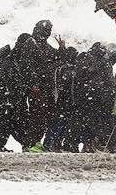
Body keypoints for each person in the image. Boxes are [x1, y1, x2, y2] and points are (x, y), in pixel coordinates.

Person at [22, 20, 61, 152]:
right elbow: (28, 65)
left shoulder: (44, 45)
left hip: (46, 86)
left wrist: (61, 48)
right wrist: (34, 83)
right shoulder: (31, 43)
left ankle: (36, 142)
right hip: (38, 87)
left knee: (45, 115)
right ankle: (32, 143)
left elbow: (55, 58)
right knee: (37, 115)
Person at [44, 47, 78, 152]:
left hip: (65, 100)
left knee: (63, 123)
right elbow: (63, 86)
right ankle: (49, 143)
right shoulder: (65, 69)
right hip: (64, 100)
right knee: (59, 122)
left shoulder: (66, 68)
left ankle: (54, 143)